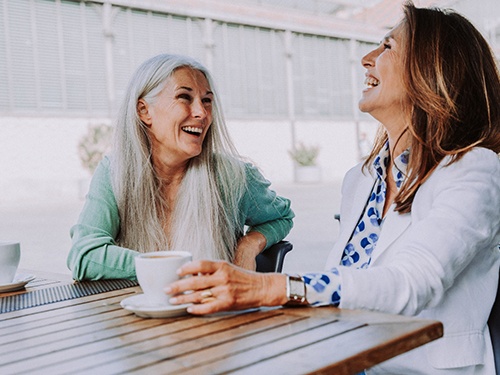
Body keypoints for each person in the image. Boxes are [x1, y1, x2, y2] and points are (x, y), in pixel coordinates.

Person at [166, 3, 500, 374]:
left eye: (387, 47)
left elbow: (411, 283)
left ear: (431, 70)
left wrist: (267, 288)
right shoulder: (360, 178)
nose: (367, 58)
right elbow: (344, 281)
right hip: (347, 359)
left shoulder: (474, 170)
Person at [67, 54, 294, 281]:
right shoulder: (114, 172)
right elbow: (85, 255)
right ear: (144, 111)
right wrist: (168, 269)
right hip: (134, 311)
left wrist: (249, 244)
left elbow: (281, 216)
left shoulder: (233, 177)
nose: (201, 113)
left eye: (207, 101)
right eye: (184, 97)